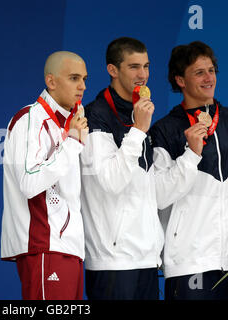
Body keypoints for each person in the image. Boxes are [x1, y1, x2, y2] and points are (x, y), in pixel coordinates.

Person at [150, 41, 228, 300]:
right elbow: (159, 196)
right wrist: (191, 154)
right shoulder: (165, 130)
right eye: (199, 72)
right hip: (189, 262)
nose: (208, 78)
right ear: (180, 79)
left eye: (211, 70)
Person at [80, 37, 164, 300]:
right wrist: (138, 130)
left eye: (146, 66)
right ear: (112, 70)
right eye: (134, 67)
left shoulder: (140, 112)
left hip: (147, 258)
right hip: (113, 261)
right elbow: (110, 181)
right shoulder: (95, 114)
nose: (143, 75)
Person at [0, 51, 89, 300]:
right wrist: (71, 143)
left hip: (68, 248)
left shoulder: (69, 123)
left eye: (84, 78)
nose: (82, 86)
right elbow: (29, 183)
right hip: (44, 247)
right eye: (73, 78)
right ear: (51, 81)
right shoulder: (30, 118)